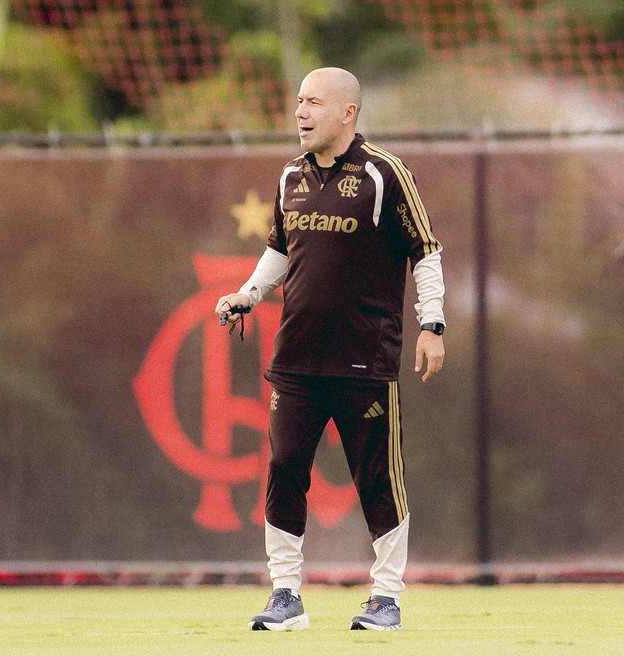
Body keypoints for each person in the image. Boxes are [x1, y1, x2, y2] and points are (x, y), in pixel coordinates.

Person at [215, 67, 445, 632]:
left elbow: (427, 251)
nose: (300, 112)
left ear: (348, 112)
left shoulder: (385, 174)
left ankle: (386, 599)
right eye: (297, 101)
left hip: (364, 358)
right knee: (284, 470)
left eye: (313, 102)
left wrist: (432, 325)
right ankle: (286, 596)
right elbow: (279, 249)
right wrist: (249, 294)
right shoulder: (290, 175)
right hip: (296, 357)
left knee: (377, 479)